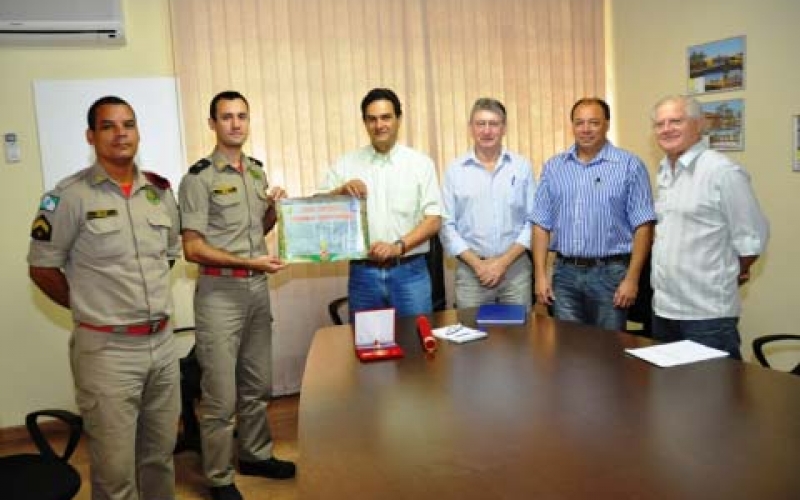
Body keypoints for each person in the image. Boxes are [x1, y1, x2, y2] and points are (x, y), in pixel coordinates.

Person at [27, 96, 181, 500]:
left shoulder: (159, 193)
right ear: (91, 136)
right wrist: (90, 307)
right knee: (115, 473)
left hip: (163, 347)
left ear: (138, 132)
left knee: (160, 460)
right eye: (109, 126)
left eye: (128, 124)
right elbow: (42, 269)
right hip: (108, 352)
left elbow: (164, 258)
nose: (120, 134)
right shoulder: (67, 197)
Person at [178, 91, 295, 500]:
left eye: (242, 116)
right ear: (213, 124)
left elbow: (254, 231)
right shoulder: (198, 178)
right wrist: (252, 264)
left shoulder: (256, 173)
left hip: (256, 290)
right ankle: (220, 476)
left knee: (256, 384)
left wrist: (275, 210)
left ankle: (256, 454)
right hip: (219, 294)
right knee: (220, 396)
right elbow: (192, 247)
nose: (235, 124)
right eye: (226, 117)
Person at [650, 95, 769, 359]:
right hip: (664, 310)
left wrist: (728, 274)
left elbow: (751, 239)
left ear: (699, 124)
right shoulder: (664, 170)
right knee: (669, 395)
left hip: (706, 315)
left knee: (713, 396)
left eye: (676, 121)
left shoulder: (722, 172)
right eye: (660, 124)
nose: (666, 129)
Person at [532, 97, 656, 331]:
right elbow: (540, 223)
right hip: (565, 274)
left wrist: (632, 279)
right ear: (572, 126)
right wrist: (540, 275)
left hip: (611, 274)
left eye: (594, 122)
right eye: (579, 123)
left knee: (608, 352)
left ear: (607, 124)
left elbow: (644, 226)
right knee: (568, 349)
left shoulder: (630, 165)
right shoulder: (554, 167)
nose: (586, 129)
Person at [321, 87, 442, 317]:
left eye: (386, 117)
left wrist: (397, 247)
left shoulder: (420, 164)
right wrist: (340, 191)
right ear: (364, 122)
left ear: (398, 119)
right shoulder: (346, 164)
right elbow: (316, 210)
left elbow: (434, 220)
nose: (379, 125)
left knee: (417, 346)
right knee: (369, 348)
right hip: (364, 275)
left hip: (410, 273)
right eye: (372, 119)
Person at [440, 97, 536, 307]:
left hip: (515, 271)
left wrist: (502, 263)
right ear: (471, 128)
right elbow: (447, 226)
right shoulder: (455, 171)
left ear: (504, 128)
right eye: (480, 124)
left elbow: (532, 222)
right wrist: (479, 266)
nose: (487, 130)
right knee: (472, 336)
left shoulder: (521, 167)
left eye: (493, 124)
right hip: (471, 272)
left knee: (520, 336)